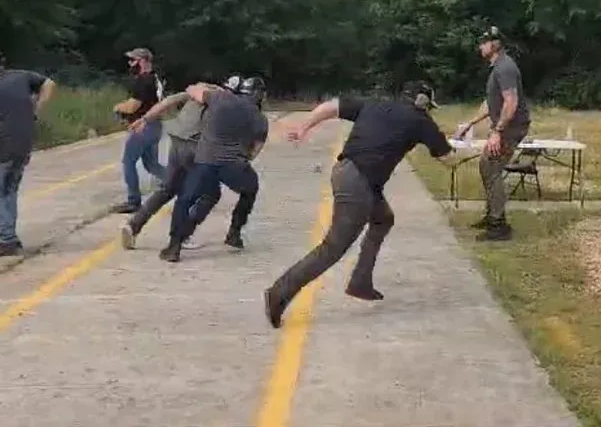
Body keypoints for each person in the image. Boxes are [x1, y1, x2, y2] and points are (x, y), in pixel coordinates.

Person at [263, 81, 458, 329]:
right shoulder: (421, 120)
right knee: (333, 247)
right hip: (359, 183)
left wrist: (304, 127)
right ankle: (278, 293)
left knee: (383, 218)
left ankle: (361, 281)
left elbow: (331, 106)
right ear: (422, 102)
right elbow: (448, 160)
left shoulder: (374, 104)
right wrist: (472, 148)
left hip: (346, 172)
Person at [158, 76, 269, 263]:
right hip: (233, 165)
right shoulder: (260, 119)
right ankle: (234, 233)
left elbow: (192, 89)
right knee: (250, 189)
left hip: (205, 163)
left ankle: (174, 245)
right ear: (259, 95)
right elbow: (253, 152)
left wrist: (206, 88)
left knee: (185, 199)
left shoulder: (219, 98)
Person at [119, 79, 227, 250]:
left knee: (168, 188)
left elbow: (168, 102)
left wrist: (145, 119)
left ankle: (133, 225)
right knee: (209, 193)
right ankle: (183, 234)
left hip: (177, 141)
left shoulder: (198, 90)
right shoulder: (225, 99)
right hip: (195, 146)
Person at [0, 49, 56, 257]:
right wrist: (36, 108)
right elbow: (49, 84)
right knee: (9, 191)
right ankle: (9, 236)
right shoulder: (22, 76)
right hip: (23, 144)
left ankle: (8, 239)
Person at [452, 26, 531, 241]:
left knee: (492, 167)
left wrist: (497, 132)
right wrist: (470, 123)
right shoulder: (497, 68)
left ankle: (499, 226)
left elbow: (511, 103)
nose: (480, 46)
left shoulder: (505, 67)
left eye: (483, 42)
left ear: (494, 44)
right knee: (487, 166)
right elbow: (491, 103)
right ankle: (492, 216)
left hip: (511, 128)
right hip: (505, 127)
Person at [113, 47, 167, 213]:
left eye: (133, 60)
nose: (130, 64)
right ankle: (182, 183)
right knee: (151, 164)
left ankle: (133, 201)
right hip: (155, 125)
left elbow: (133, 106)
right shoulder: (154, 79)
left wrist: (117, 107)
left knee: (128, 162)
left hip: (143, 127)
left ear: (143, 61)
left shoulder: (143, 80)